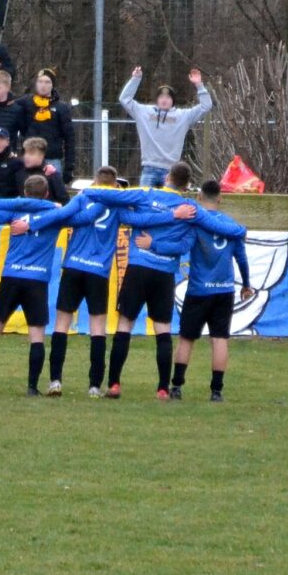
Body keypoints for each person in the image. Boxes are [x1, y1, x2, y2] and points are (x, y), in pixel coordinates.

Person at [0, 176, 70, 396]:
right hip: (37, 280)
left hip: (12, 276)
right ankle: (31, 387)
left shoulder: (15, 212)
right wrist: (54, 206)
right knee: (36, 335)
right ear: (46, 194)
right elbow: (75, 213)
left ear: (24, 193)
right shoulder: (55, 215)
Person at [103, 161, 200, 399]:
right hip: (164, 273)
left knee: (124, 324)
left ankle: (114, 384)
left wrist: (150, 240)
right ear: (186, 185)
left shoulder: (146, 194)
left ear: (167, 176)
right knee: (163, 330)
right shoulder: (189, 209)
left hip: (138, 267)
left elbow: (127, 218)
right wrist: (172, 218)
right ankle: (163, 388)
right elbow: (184, 246)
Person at [49, 166, 127, 398]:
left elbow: (64, 216)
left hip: (73, 266)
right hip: (98, 273)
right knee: (97, 329)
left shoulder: (83, 197)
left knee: (61, 324)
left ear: (94, 181)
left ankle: (55, 381)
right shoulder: (117, 204)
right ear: (113, 185)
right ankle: (94, 386)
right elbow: (136, 218)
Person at [172, 180, 253, 402]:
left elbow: (183, 246)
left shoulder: (196, 223)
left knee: (186, 339)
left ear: (199, 198)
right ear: (220, 198)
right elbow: (242, 259)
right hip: (224, 290)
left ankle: (177, 387)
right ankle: (216, 391)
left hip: (199, 289)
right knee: (219, 339)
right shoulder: (231, 225)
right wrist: (246, 283)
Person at [119, 66, 213, 188]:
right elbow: (124, 99)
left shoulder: (183, 116)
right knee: (146, 203)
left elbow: (206, 106)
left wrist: (199, 85)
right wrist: (135, 79)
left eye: (168, 97)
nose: (164, 100)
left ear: (172, 101)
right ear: (157, 99)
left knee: (169, 205)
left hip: (171, 172)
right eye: (161, 97)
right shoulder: (144, 112)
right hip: (149, 169)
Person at [21, 68, 75, 182]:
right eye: (40, 82)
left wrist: (69, 167)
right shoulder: (26, 102)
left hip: (53, 159)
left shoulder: (62, 108)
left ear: (52, 85)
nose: (43, 85)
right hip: (30, 157)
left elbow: (69, 138)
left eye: (47, 82)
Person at [17, 137, 68, 204]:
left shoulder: (51, 174)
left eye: (31, 153)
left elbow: (64, 200)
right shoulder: (19, 173)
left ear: (41, 156)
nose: (26, 156)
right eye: (26, 153)